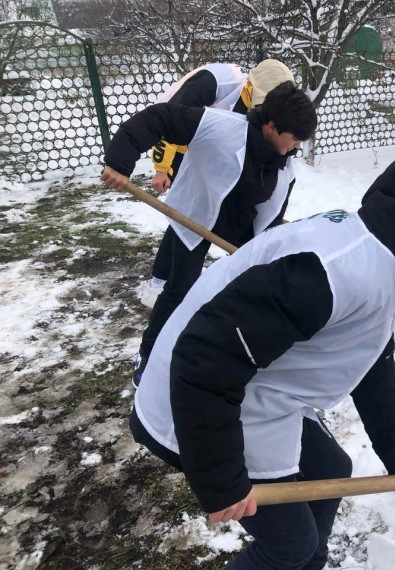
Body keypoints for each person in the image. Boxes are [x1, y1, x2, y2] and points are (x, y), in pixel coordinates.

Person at [127, 145, 395, 569]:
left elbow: (372, 361)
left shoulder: (376, 258)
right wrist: (221, 481)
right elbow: (204, 355)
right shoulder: (335, 271)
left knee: (331, 473)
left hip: (249, 390)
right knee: (288, 544)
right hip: (190, 405)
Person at [100, 80, 317, 387]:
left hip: (239, 222)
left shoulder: (284, 167)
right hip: (194, 212)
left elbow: (273, 212)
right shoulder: (220, 126)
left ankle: (233, 352)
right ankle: (150, 354)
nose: (297, 146)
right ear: (270, 125)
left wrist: (266, 247)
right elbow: (158, 117)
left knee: (251, 289)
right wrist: (119, 161)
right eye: (294, 138)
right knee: (180, 289)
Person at [143, 60, 295, 308]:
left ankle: (168, 280)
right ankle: (163, 283)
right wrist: (163, 169)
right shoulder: (216, 83)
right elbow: (169, 119)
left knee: (198, 215)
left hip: (218, 153)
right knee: (189, 214)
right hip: (184, 140)